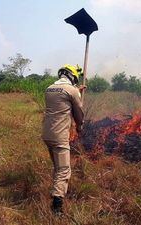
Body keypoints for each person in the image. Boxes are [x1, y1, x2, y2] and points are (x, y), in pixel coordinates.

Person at [42, 64, 84, 214]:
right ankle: (57, 206)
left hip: (47, 134)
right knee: (64, 170)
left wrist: (76, 92)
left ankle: (57, 190)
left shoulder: (49, 88)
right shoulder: (71, 90)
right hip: (59, 136)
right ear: (72, 76)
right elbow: (78, 112)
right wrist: (79, 127)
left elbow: (61, 100)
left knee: (58, 167)